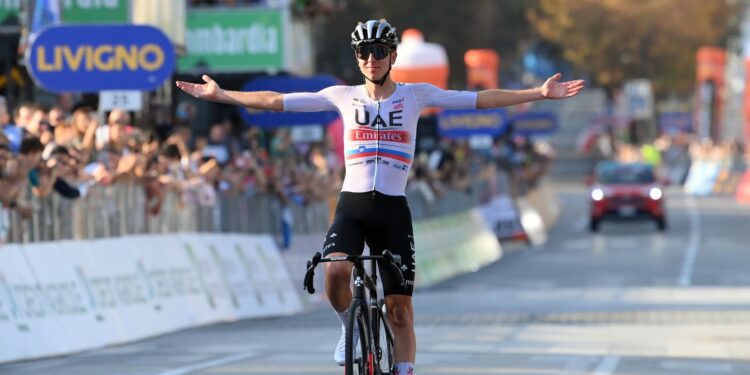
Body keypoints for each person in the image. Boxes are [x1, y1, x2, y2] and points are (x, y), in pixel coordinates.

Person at [176, 18, 584, 374]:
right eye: (363, 52)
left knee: (399, 312)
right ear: (357, 58)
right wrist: (224, 95)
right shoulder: (342, 95)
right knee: (334, 273)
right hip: (351, 205)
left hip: (392, 210)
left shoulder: (415, 95)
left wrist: (538, 93)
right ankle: (345, 330)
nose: (370, 59)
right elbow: (275, 102)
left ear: (391, 55)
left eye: (378, 51)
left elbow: (479, 100)